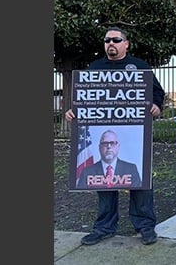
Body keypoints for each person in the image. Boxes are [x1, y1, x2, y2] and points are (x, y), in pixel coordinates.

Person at [64, 26, 165, 246]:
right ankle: (104, 228)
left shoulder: (140, 67)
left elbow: (158, 92)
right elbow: (84, 99)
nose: (111, 43)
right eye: (107, 40)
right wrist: (74, 111)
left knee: (139, 181)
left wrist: (157, 105)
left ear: (126, 44)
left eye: (116, 40)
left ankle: (145, 226)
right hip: (104, 134)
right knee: (104, 182)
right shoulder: (95, 68)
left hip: (134, 135)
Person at [76, 129, 142, 189]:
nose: (109, 147)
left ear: (118, 147)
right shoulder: (87, 172)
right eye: (105, 143)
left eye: (112, 143)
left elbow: (138, 190)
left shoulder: (131, 169)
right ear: (99, 147)